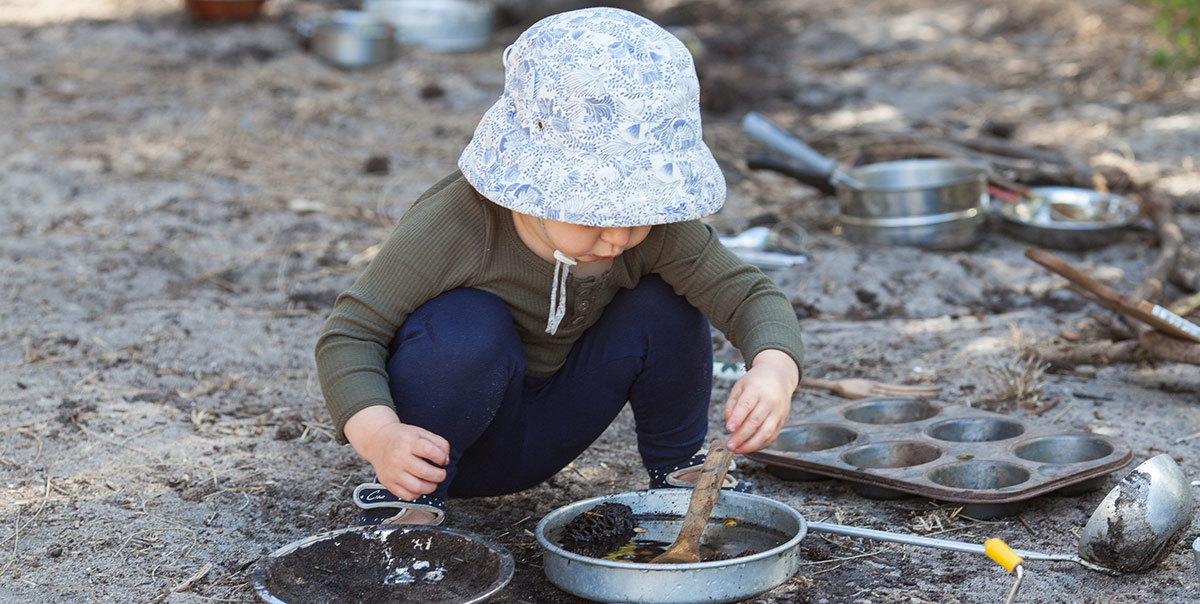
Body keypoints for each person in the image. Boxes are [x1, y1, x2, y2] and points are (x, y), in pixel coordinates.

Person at [314, 6, 804, 526]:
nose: (619, 236)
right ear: (529, 186)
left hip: (558, 426)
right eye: (596, 213)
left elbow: (749, 295)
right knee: (467, 322)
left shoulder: (651, 230)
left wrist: (774, 370)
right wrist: (381, 436)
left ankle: (680, 472)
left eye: (637, 210)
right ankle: (409, 507)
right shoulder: (457, 224)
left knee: (666, 302)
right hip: (433, 446)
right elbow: (349, 334)